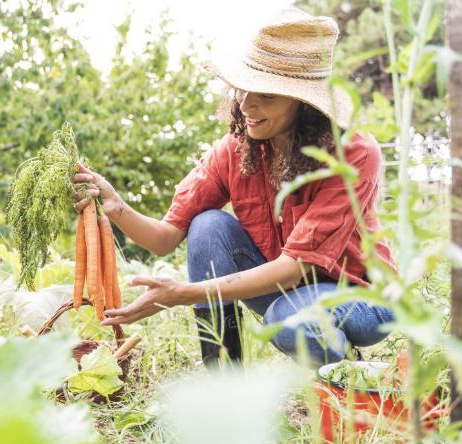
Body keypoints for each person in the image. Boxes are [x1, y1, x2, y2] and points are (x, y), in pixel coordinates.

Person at [72, 8, 395, 366]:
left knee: (290, 321)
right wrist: (115, 205)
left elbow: (294, 267)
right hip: (285, 293)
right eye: (243, 89)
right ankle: (223, 378)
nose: (246, 104)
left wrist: (181, 294)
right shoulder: (237, 149)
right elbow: (164, 239)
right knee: (207, 225)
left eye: (267, 95)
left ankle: (347, 373)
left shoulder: (352, 154)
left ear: (305, 104)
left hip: (361, 298)